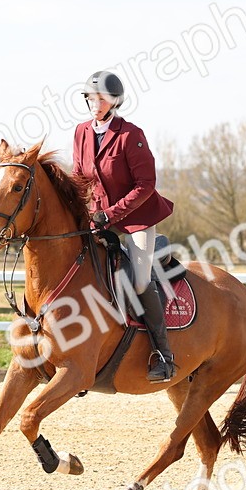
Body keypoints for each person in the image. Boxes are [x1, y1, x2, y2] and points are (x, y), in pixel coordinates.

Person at [72, 70, 176, 383]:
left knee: (141, 281)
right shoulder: (81, 132)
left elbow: (146, 184)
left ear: (115, 101)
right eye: (91, 98)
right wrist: (85, 214)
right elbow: (79, 179)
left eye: (102, 98)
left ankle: (163, 355)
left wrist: (111, 214)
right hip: (98, 218)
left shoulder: (131, 135)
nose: (95, 103)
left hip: (135, 220)